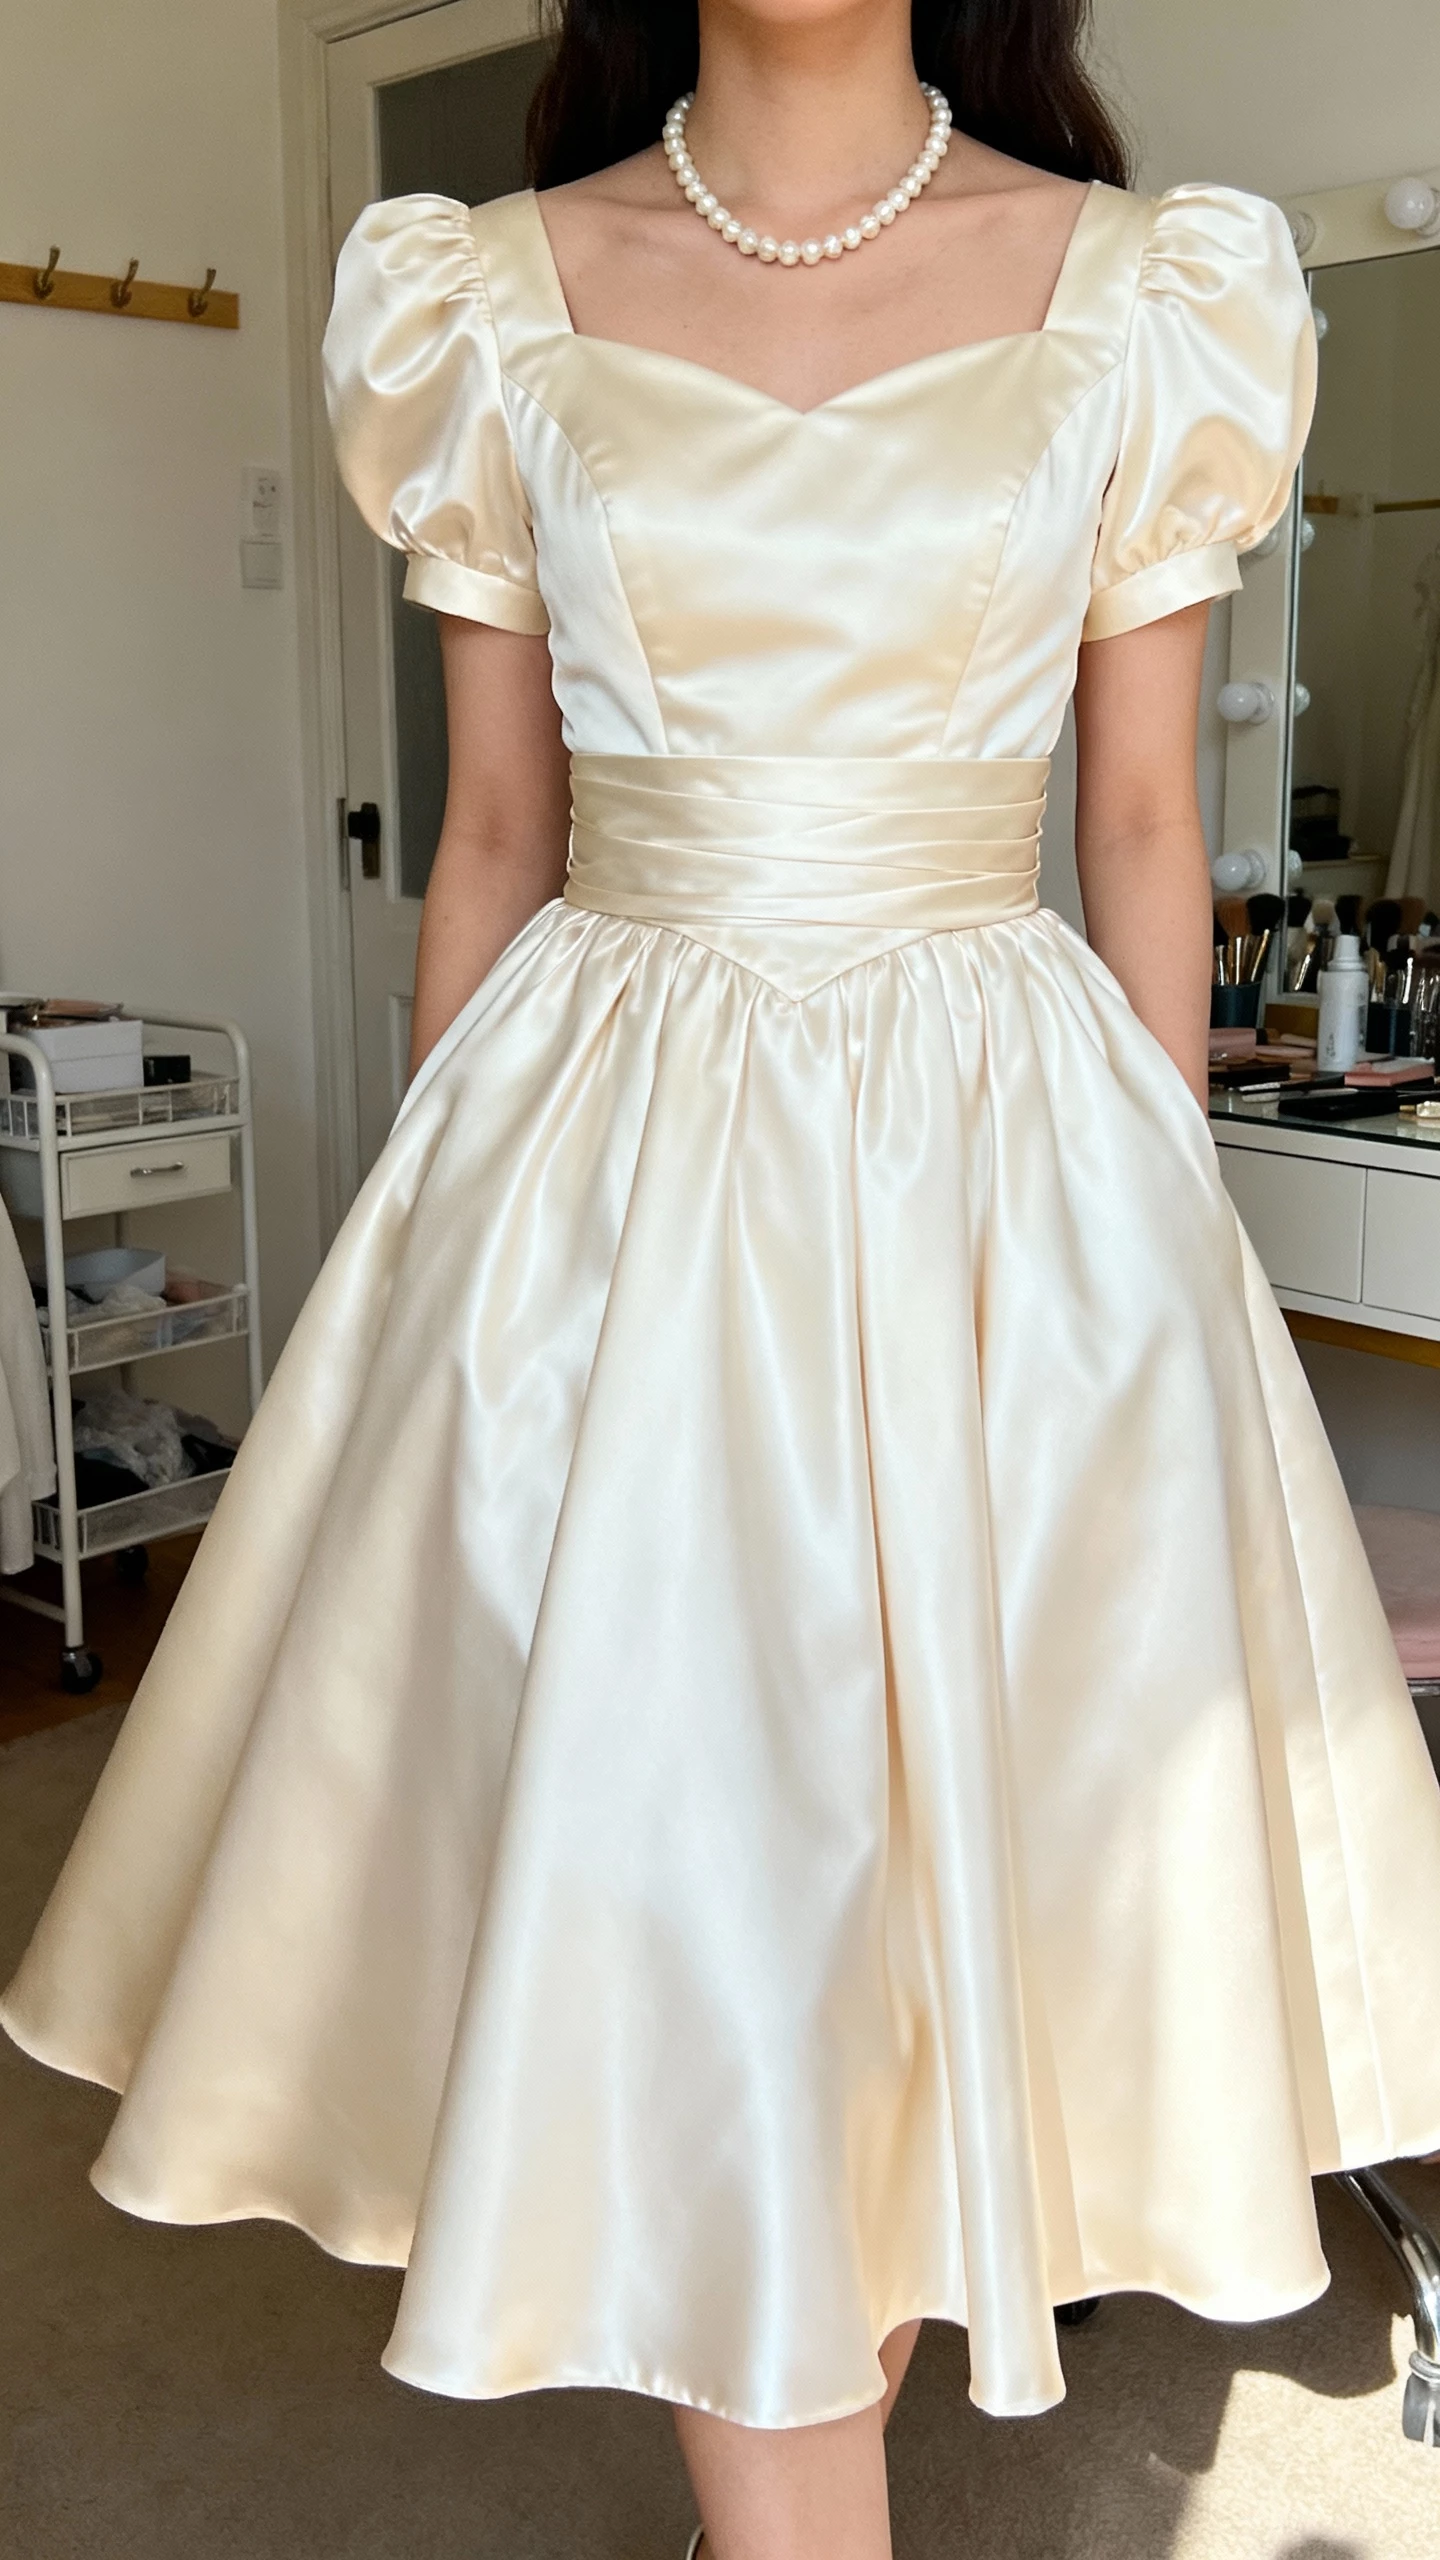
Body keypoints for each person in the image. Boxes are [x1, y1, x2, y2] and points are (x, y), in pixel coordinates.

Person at [9, 4, 1440, 2555]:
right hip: (615, 1182)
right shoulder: (487, 295)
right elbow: (490, 839)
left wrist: (1144, 1294)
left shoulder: (1141, 288)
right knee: (705, 1910)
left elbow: (1138, 832)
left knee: (915, 1916)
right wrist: (436, 1300)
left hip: (999, 1179)